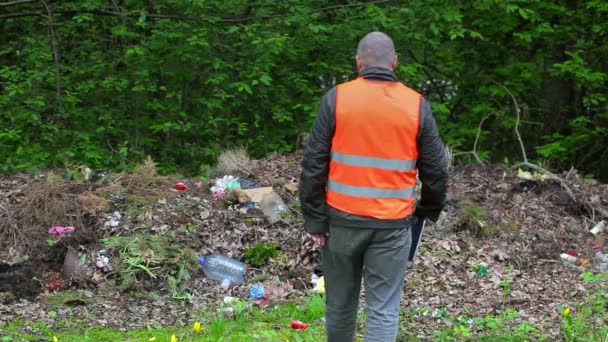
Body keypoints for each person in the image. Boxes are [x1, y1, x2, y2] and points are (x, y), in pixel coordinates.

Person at [299, 31, 448, 342]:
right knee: (383, 310)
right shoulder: (416, 105)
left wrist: (315, 218)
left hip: (341, 223)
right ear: (394, 62)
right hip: (392, 227)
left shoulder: (336, 99)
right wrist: (428, 209)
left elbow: (314, 164)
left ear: (358, 63)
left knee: (339, 305)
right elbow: (435, 169)